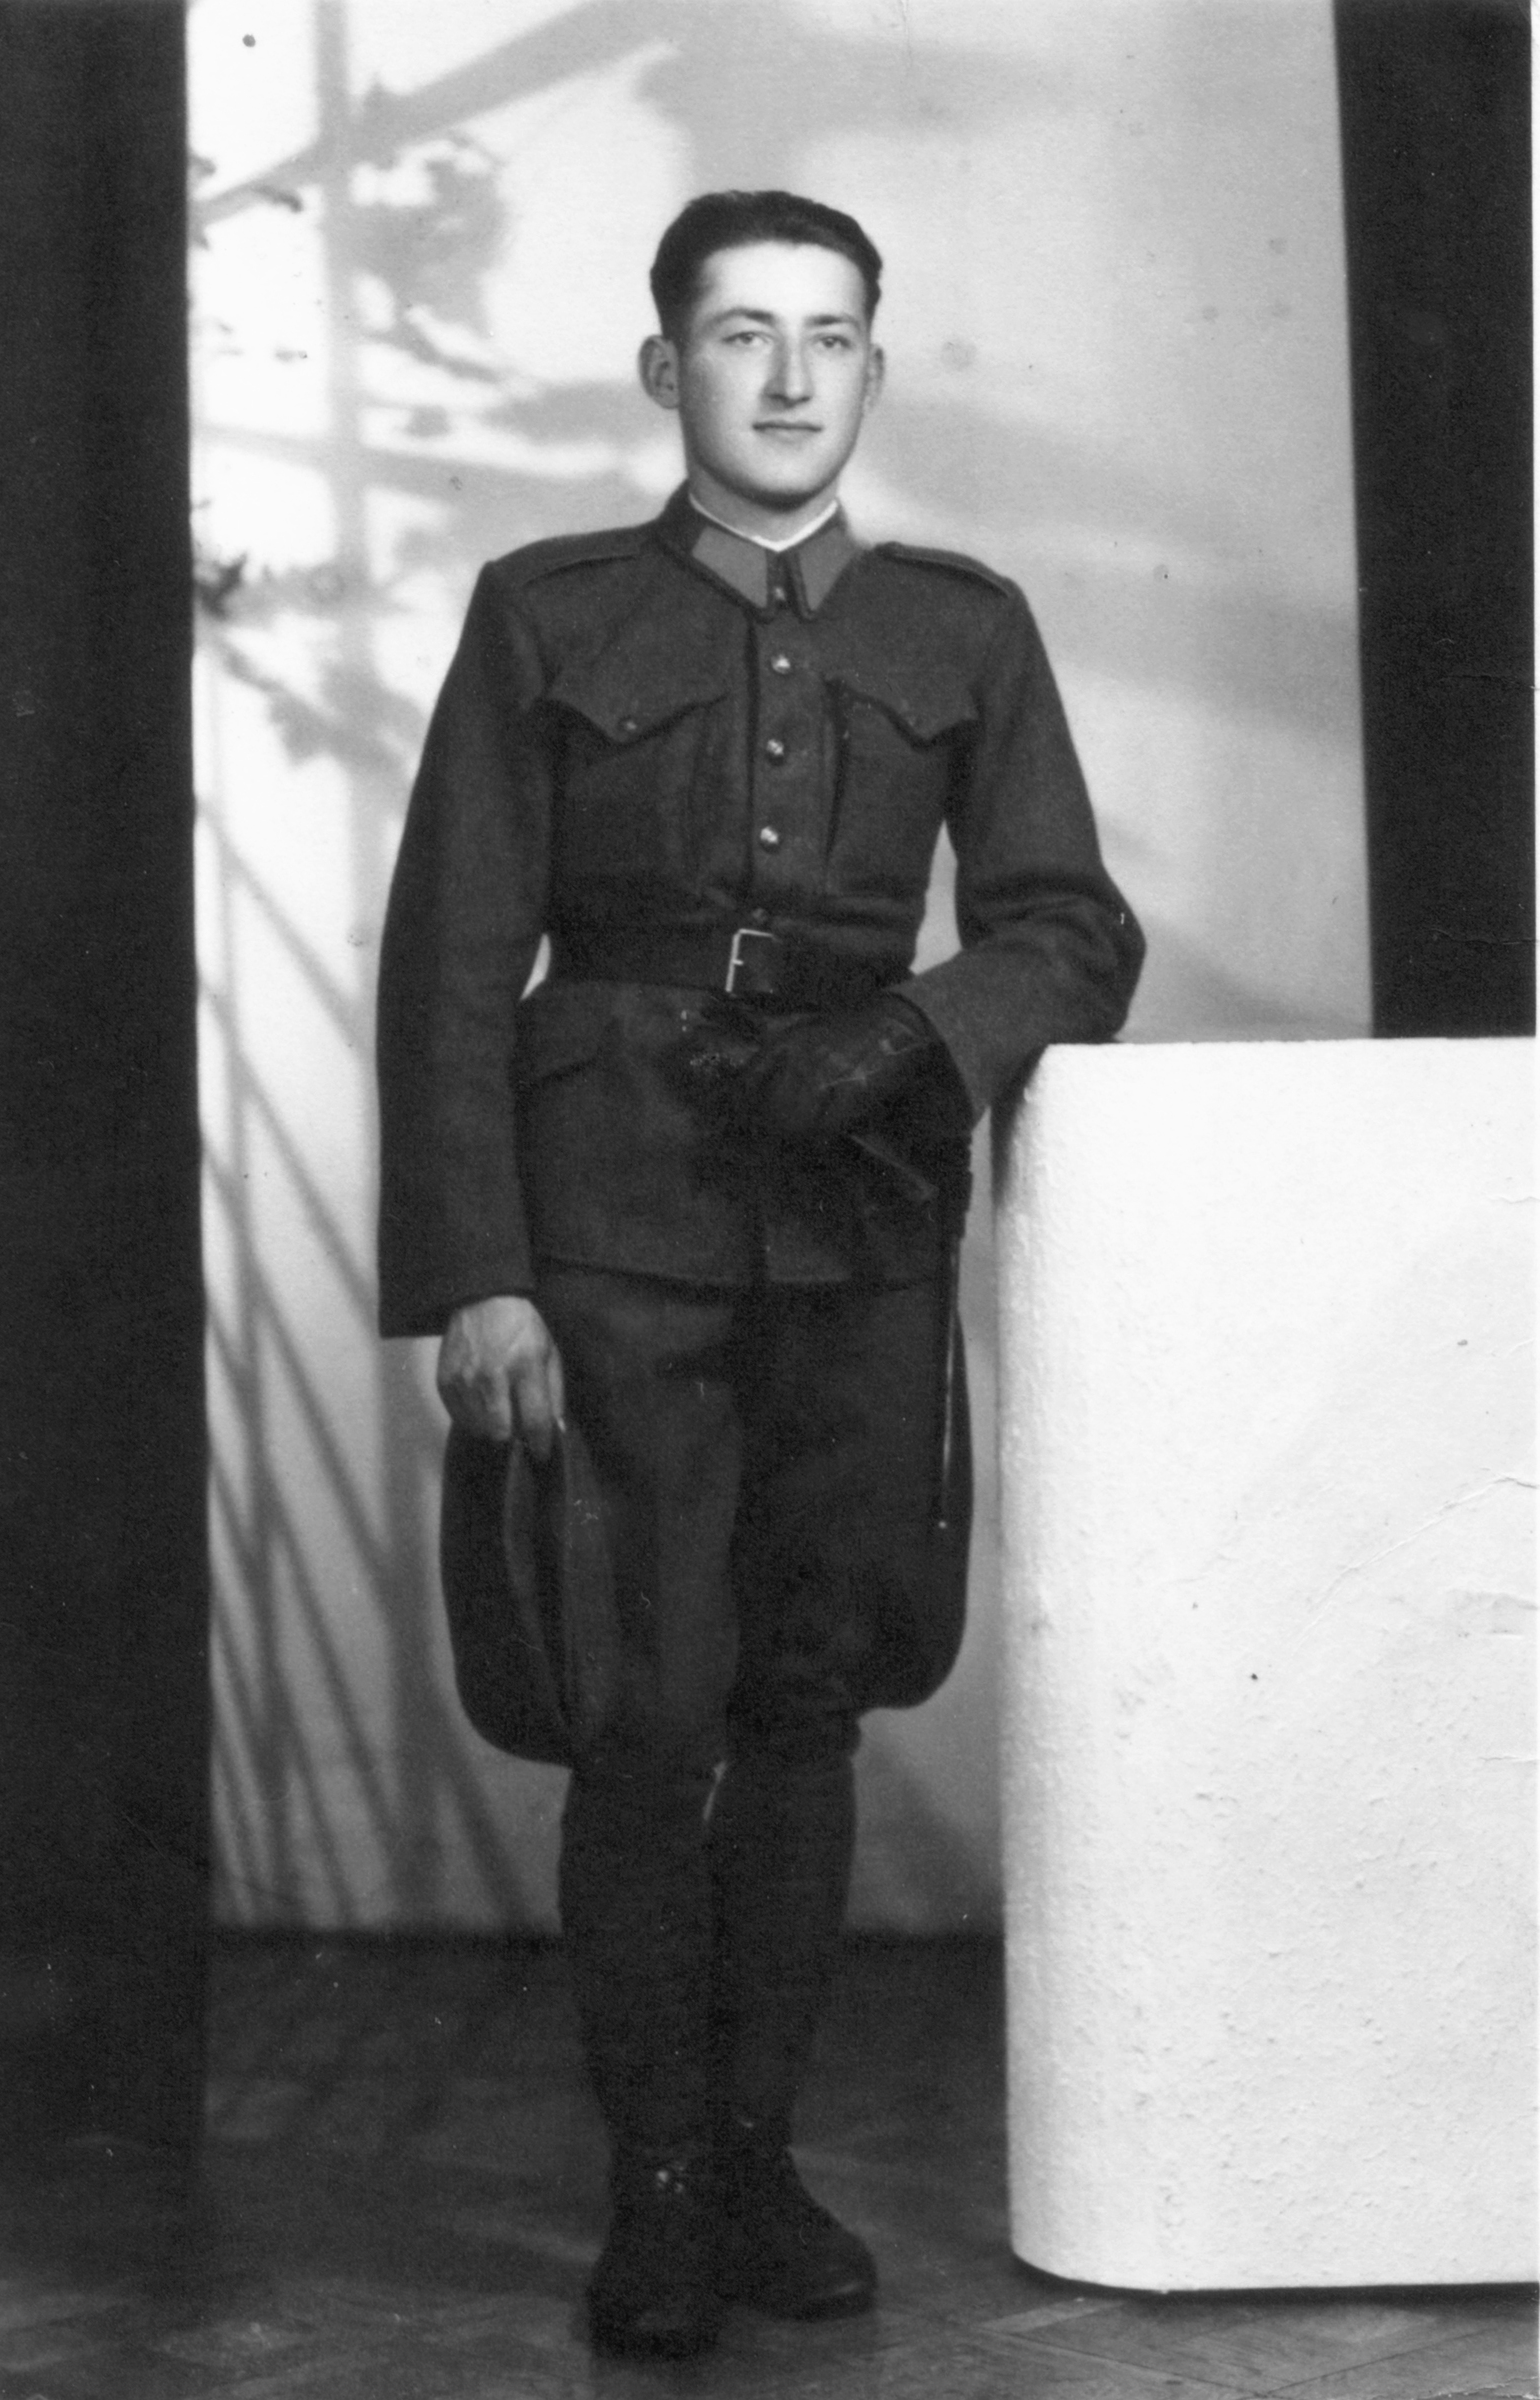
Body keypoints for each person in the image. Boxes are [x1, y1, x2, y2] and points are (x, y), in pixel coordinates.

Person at [377, 188, 1143, 2359]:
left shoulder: (963, 628)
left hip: (857, 1216)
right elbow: (451, 960)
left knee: (806, 1702)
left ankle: (759, 2162)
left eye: (830, 337)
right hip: (607, 1217)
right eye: (741, 334)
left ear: (873, 369)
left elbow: (1068, 926)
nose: (790, 377)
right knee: (643, 1714)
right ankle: (654, 2189)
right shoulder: (548, 614)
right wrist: (478, 1279)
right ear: (665, 369)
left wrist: (912, 1035)